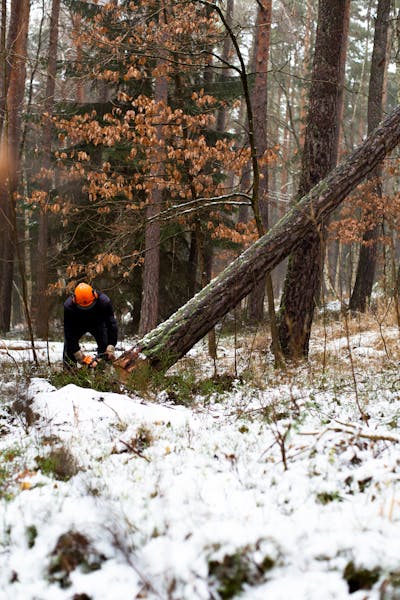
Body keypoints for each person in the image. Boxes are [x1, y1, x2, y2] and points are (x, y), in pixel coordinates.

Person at [63, 282, 118, 369]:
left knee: (105, 342)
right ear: (74, 300)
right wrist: (77, 353)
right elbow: (69, 332)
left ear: (95, 296)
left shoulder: (104, 302)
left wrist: (111, 344)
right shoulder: (69, 306)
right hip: (78, 325)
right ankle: (69, 371)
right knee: (69, 348)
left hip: (97, 324)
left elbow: (111, 325)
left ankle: (102, 369)